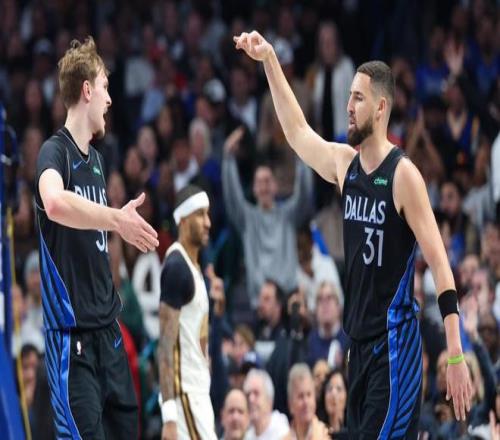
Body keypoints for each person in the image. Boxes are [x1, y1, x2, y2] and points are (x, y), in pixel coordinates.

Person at [234, 31, 472, 438]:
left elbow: (440, 264)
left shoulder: (403, 175)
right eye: (348, 96)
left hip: (394, 349)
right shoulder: (346, 165)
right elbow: (297, 133)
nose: (348, 106)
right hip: (357, 348)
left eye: (358, 98)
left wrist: (455, 354)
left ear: (380, 108)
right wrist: (270, 60)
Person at [35, 37, 159, 438]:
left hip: (109, 334)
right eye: (105, 87)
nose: (109, 99)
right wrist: (116, 220)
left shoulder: (99, 163)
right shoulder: (53, 152)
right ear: (87, 90)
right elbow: (54, 202)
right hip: (72, 342)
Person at [157, 184, 218, 440]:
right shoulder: (176, 267)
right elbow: (165, 346)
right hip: (184, 394)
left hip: (198, 391)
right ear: (182, 220)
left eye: (208, 214)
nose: (208, 223)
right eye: (200, 214)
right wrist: (169, 416)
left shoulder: (195, 268)